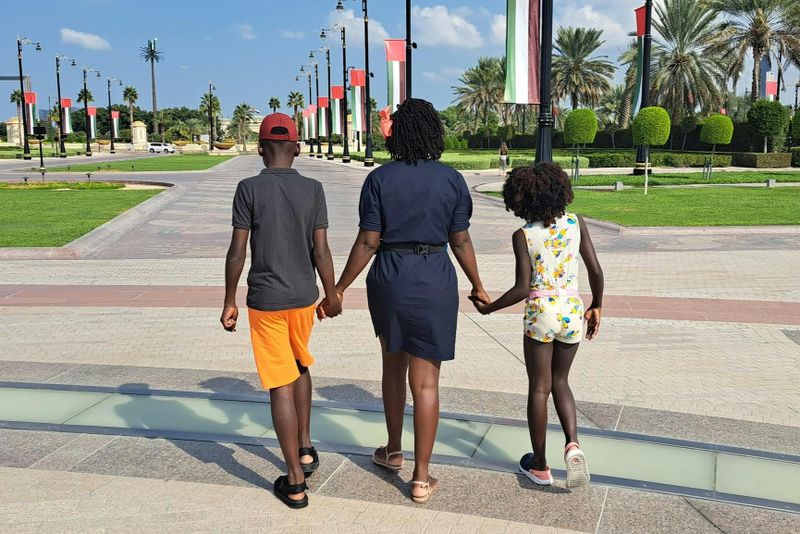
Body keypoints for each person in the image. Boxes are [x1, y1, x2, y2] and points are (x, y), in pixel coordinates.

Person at [320, 98, 488, 504]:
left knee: (393, 366)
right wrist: (478, 285)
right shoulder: (452, 180)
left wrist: (339, 288)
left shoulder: (379, 179)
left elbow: (368, 241)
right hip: (435, 276)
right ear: (434, 132)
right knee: (426, 381)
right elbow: (460, 240)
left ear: (397, 134)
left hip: (390, 276)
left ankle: (393, 451)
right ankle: (421, 477)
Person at [220, 113, 341, 509]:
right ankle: (305, 449)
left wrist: (230, 299)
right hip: (304, 297)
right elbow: (321, 250)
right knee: (299, 363)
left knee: (279, 384)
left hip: (266, 300)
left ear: (260, 149)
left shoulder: (248, 188)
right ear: (297, 147)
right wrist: (332, 294)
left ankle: (295, 482)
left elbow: (238, 250)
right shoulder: (313, 189)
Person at [471, 163, 603, 490]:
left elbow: (521, 288)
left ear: (521, 199)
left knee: (539, 388)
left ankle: (540, 466)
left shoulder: (524, 235)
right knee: (561, 381)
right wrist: (596, 305)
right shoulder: (576, 223)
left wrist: (489, 309)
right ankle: (572, 444)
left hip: (541, 312)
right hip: (571, 309)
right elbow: (596, 271)